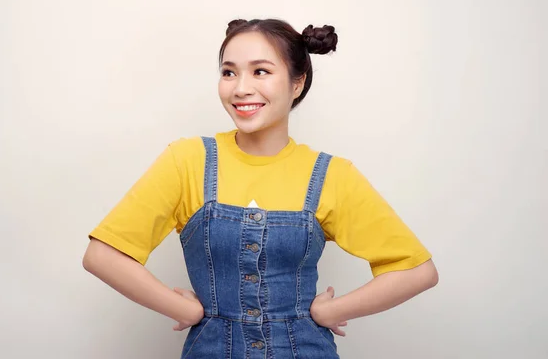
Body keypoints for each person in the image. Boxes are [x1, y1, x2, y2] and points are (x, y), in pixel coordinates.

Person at [82, 18, 439, 358]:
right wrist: (185, 310)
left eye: (261, 71)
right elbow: (103, 255)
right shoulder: (187, 160)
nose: (240, 88)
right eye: (228, 72)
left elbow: (416, 270)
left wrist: (333, 312)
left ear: (297, 83)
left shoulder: (331, 174)